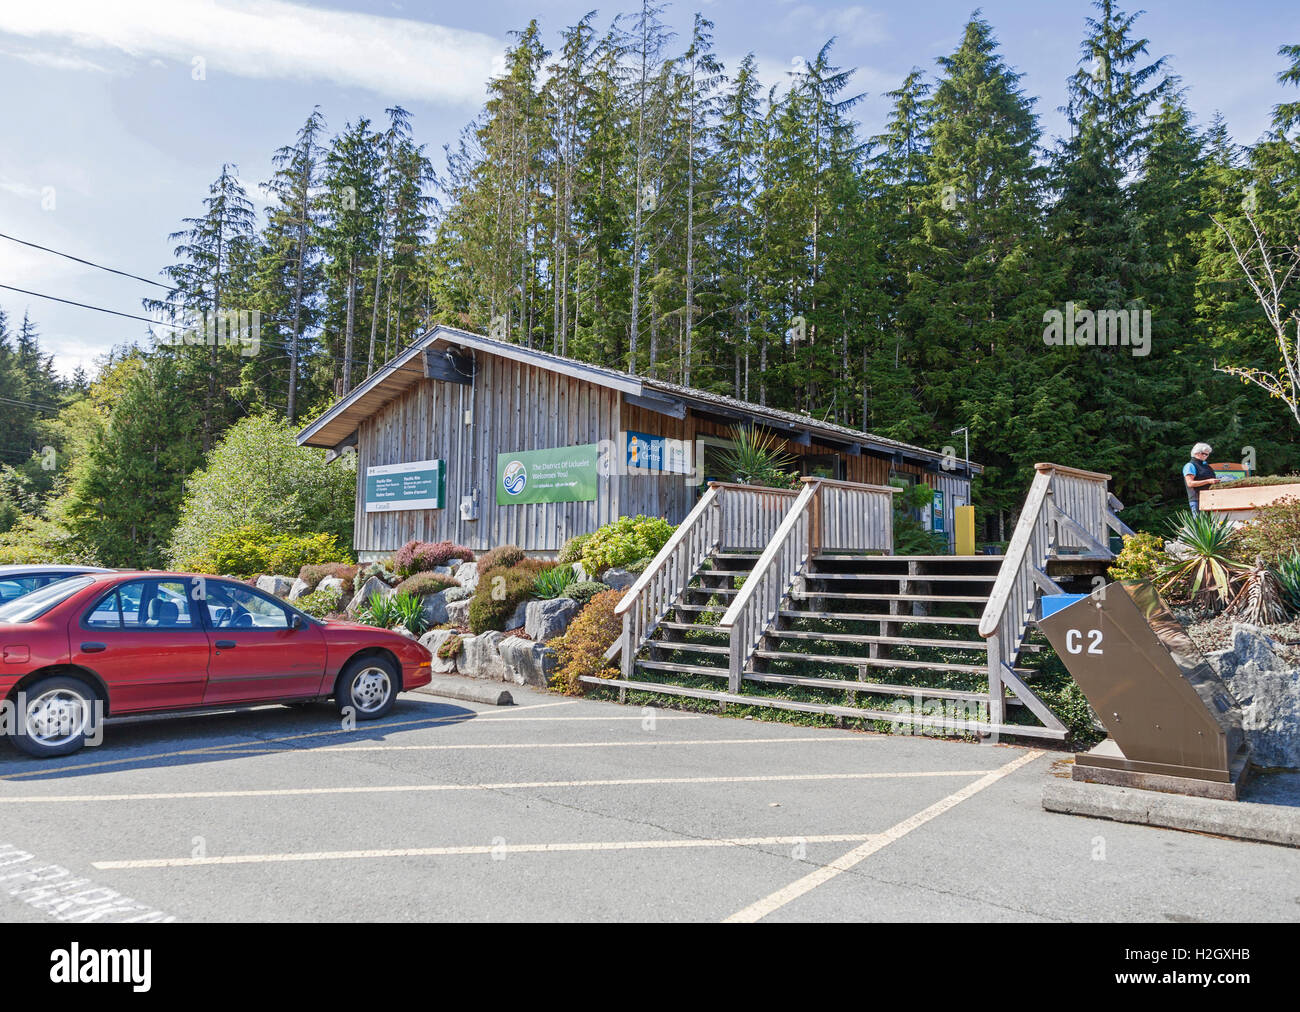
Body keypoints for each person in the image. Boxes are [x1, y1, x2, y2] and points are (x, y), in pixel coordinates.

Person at [1182, 443, 1219, 514]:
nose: (1206, 456)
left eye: (1207, 454)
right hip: (1197, 500)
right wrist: (1208, 481)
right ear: (1196, 453)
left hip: (1211, 499)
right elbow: (1190, 483)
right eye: (1204, 454)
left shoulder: (1207, 466)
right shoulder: (1190, 466)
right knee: (1199, 524)